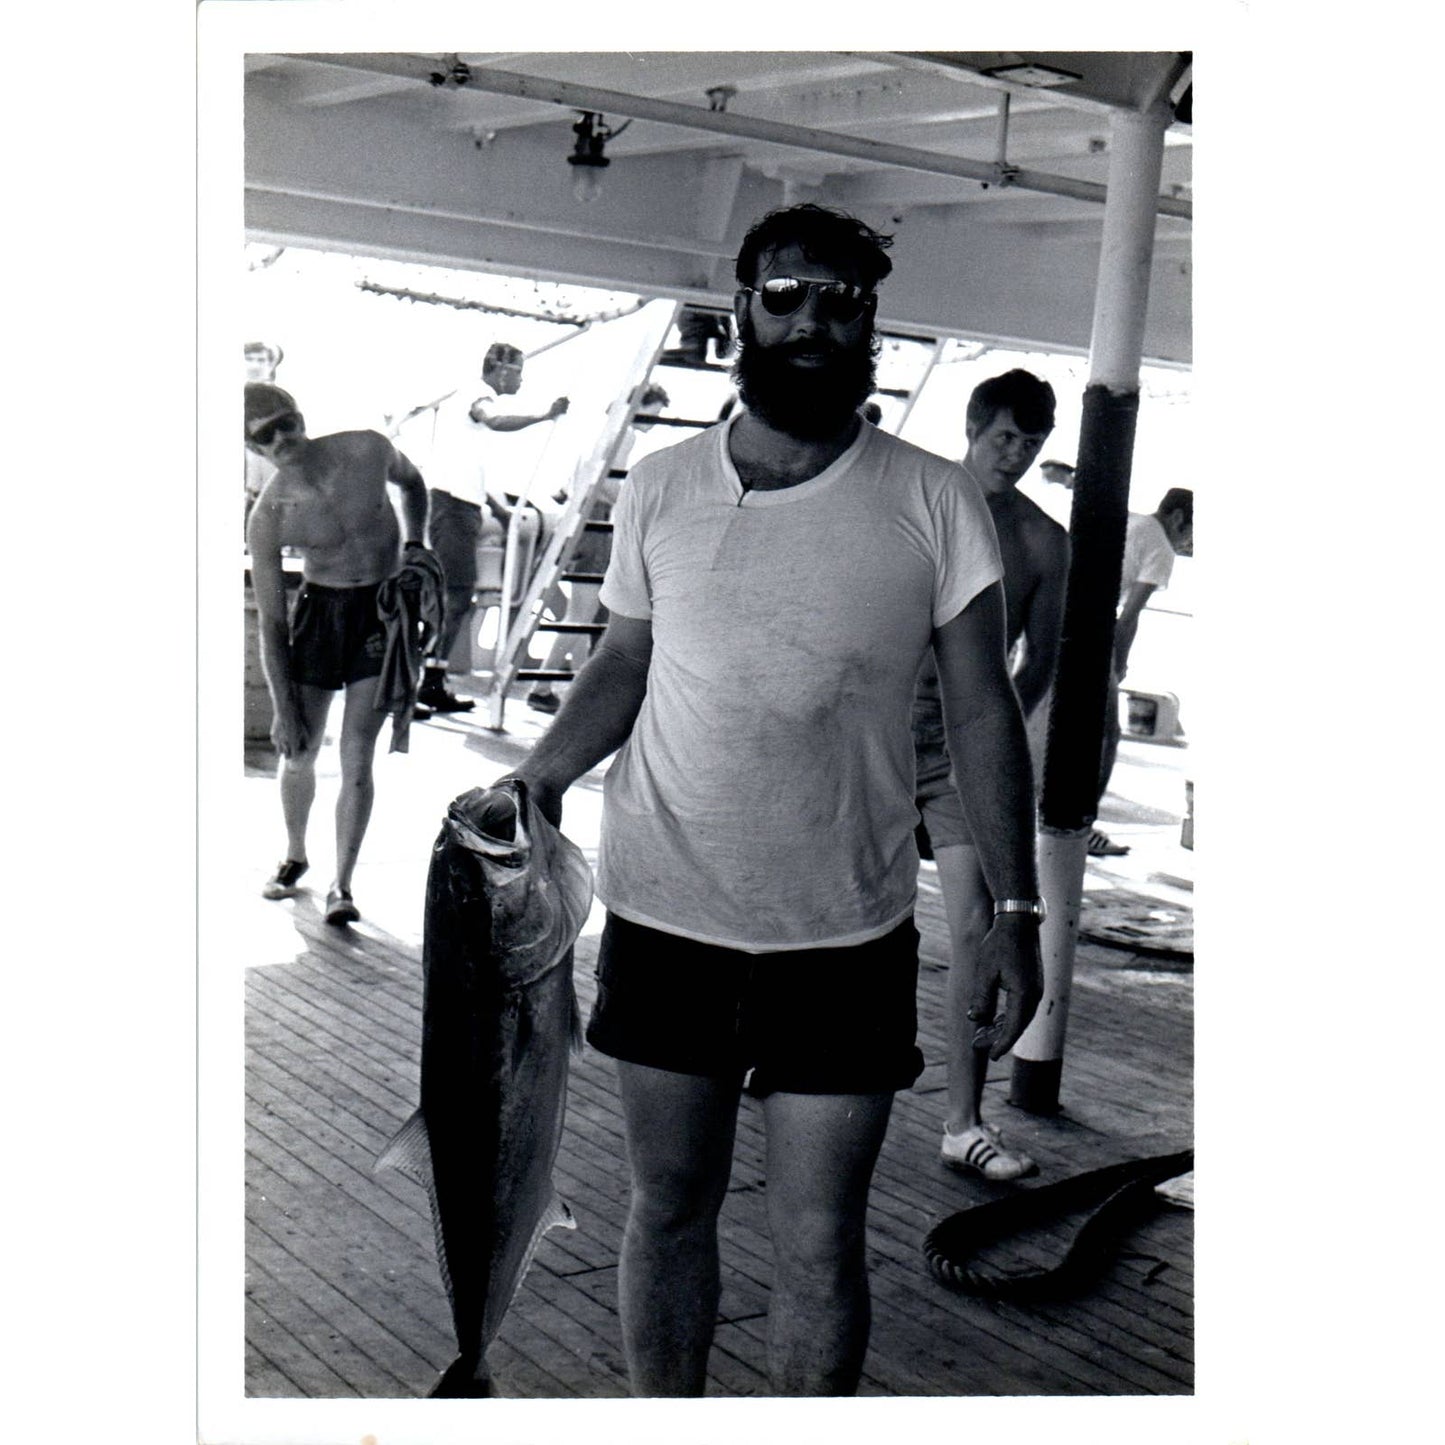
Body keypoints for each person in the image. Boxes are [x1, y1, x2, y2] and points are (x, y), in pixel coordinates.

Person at [501, 203, 1044, 1397]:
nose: (810, 321)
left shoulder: (933, 499)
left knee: (817, 1239)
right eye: (784, 295)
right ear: (741, 308)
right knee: (667, 1205)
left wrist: (1016, 911)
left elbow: (981, 712)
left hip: (843, 934)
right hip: (665, 912)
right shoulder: (660, 484)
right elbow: (624, 660)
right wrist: (539, 774)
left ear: (870, 324)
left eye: (839, 301)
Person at [912, 370, 1068, 1182]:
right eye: (1005, 436)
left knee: (979, 923)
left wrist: (992, 739)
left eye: (1031, 442)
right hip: (874, 731)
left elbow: (1037, 662)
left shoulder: (1042, 540)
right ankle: (774, 1049)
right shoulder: (917, 499)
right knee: (820, 897)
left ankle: (963, 1121)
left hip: (959, 753)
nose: (1017, 453)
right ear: (974, 427)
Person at [244, 382, 431, 925]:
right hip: (321, 616)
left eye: (287, 422)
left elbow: (414, 484)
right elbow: (273, 623)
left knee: (356, 754)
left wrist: (416, 545)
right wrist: (283, 708)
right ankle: (295, 854)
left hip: (381, 612)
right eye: (266, 435)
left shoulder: (367, 448)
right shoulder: (269, 515)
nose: (283, 438)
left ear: (301, 417)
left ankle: (342, 883)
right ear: (252, 447)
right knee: (299, 749)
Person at [415, 342, 570, 716]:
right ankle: (416, 683)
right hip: (451, 509)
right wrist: (545, 416)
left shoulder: (467, 420)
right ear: (501, 370)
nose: (520, 381)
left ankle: (431, 681)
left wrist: (499, 510)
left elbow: (467, 468)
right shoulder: (476, 395)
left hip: (464, 508)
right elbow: (494, 421)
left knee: (456, 598)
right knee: (453, 596)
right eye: (518, 373)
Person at [527, 383, 670, 715]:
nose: (654, 423)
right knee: (582, 614)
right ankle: (542, 687)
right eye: (653, 415)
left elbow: (575, 482)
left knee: (581, 612)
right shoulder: (626, 433)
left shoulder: (603, 431)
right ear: (639, 406)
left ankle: (574, 687)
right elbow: (605, 482)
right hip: (595, 522)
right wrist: (637, 504)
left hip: (577, 522)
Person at [1093, 487, 1194, 853]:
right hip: (1092, 629)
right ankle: (1081, 824)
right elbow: (1128, 616)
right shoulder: (1160, 547)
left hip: (1056, 617)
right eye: (1193, 532)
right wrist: (1118, 663)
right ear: (1178, 517)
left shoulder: (1131, 522)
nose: (1190, 543)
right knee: (1106, 736)